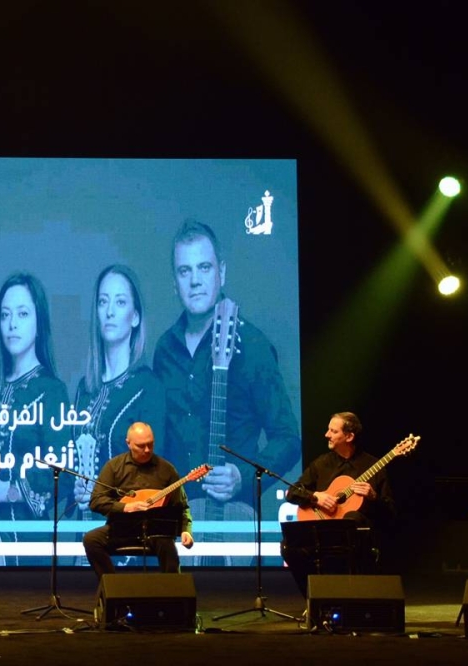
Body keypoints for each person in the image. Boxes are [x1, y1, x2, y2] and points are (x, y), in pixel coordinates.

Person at [153, 219, 300, 563]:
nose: (195, 280)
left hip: (234, 524)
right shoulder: (164, 349)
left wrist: (243, 476)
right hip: (177, 522)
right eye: (184, 271)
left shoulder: (252, 345)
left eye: (204, 267)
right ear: (175, 283)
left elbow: (287, 439)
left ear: (222, 272)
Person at [0, 272, 70, 566]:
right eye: (5, 315)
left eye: (22, 314)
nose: (12, 324)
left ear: (38, 323)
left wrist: (8, 492)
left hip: (27, 546)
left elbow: (62, 475)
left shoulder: (51, 391)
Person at [70, 265, 166, 522]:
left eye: (120, 302)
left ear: (135, 317)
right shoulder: (85, 389)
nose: (110, 311)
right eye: (103, 302)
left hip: (129, 531)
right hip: (84, 528)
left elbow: (154, 476)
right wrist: (76, 488)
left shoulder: (148, 387)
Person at [282, 413, 395, 598]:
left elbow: (390, 512)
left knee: (352, 518)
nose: (327, 435)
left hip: (355, 539)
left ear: (349, 437)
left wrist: (373, 497)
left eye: (333, 431)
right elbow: (292, 492)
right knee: (288, 546)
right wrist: (314, 497)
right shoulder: (322, 463)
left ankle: (352, 596)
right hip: (320, 531)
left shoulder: (373, 466)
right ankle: (313, 598)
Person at [82, 422, 194, 577]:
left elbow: (181, 506)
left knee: (168, 546)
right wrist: (126, 507)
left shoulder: (167, 469)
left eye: (150, 444)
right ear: (128, 443)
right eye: (141, 446)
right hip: (121, 530)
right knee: (91, 539)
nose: (147, 450)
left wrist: (186, 531)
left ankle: (172, 589)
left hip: (156, 533)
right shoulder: (114, 467)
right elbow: (96, 501)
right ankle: (111, 585)